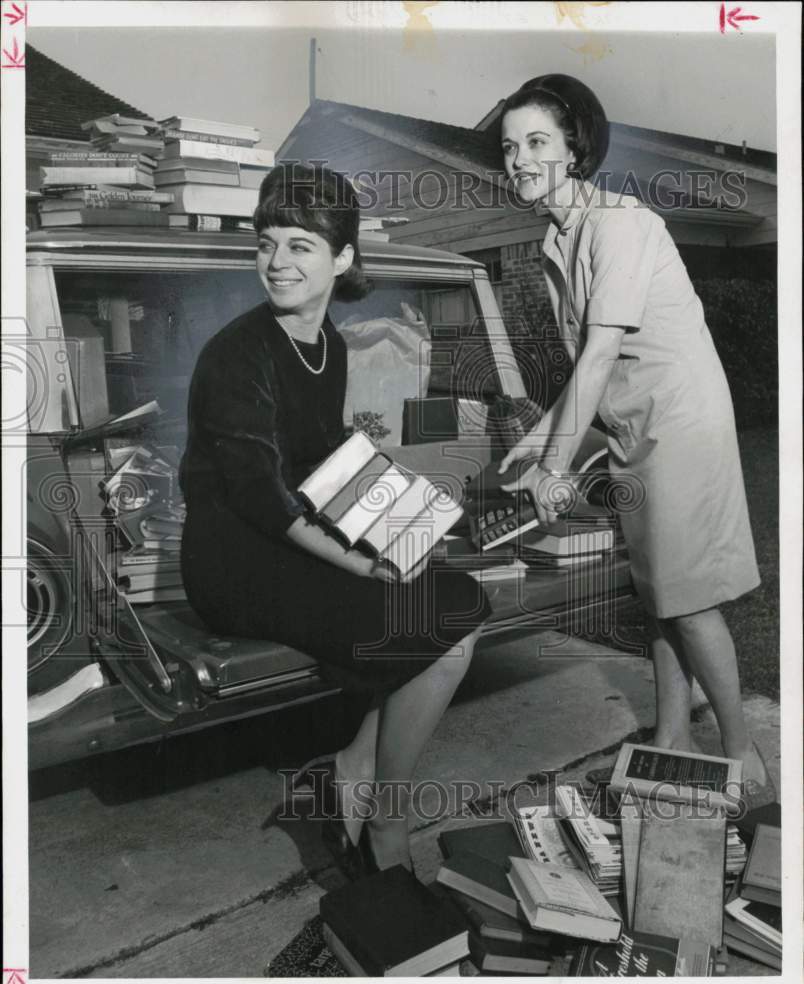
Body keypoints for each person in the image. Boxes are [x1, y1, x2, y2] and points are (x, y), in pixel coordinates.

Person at [179, 164, 491, 878]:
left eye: (300, 246)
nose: (277, 263)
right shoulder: (236, 352)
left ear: (343, 258)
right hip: (232, 560)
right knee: (430, 627)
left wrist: (411, 523)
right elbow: (261, 495)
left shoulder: (333, 346)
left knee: (458, 604)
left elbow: (329, 461)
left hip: (284, 541)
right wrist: (364, 563)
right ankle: (386, 818)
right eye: (267, 244)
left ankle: (349, 768)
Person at [495, 74, 774, 810]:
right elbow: (592, 359)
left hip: (677, 422)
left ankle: (743, 757)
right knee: (656, 592)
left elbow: (597, 353)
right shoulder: (559, 234)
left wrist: (556, 465)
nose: (519, 159)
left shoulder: (617, 224)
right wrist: (541, 440)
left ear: (576, 147)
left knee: (686, 597)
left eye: (536, 143)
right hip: (631, 423)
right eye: (509, 147)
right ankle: (672, 737)